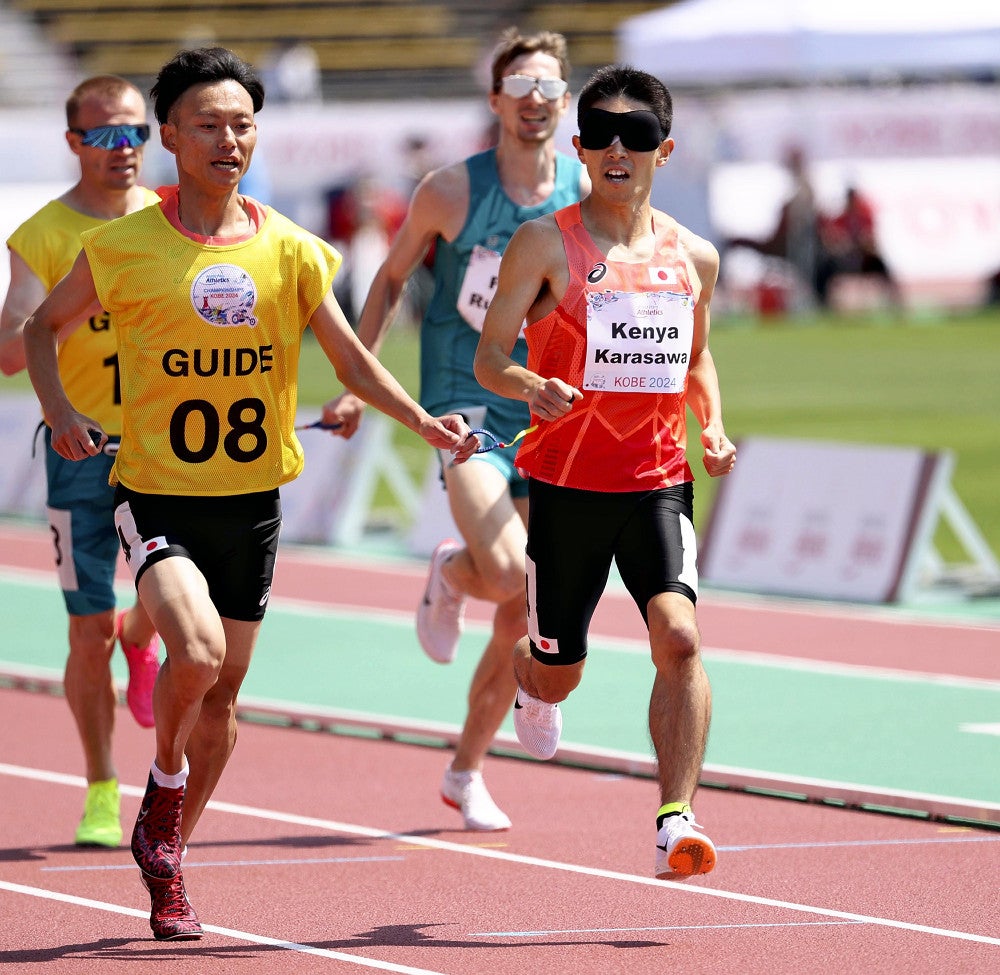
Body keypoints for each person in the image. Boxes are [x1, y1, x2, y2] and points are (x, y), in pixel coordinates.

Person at [22, 46, 475, 942]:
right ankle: (160, 786)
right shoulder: (116, 246)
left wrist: (424, 422)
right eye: (207, 123)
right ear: (170, 137)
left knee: (224, 707)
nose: (228, 138)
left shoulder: (295, 251)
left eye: (241, 123)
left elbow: (348, 358)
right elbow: (41, 330)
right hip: (156, 496)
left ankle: (169, 856)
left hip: (255, 503)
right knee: (190, 654)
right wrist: (64, 410)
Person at [320, 27, 589, 833]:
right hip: (459, 396)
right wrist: (358, 383)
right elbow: (392, 276)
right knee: (511, 571)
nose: (536, 101)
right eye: (522, 87)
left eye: (550, 88)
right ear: (496, 100)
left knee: (523, 610)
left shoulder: (584, 189)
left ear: (564, 100)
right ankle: (460, 570)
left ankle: (465, 770)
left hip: (544, 401)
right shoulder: (450, 191)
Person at [474, 64, 736, 880]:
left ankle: (674, 817)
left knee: (682, 638)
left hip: (658, 480)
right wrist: (528, 384)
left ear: (666, 148)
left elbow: (695, 358)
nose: (620, 149)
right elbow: (488, 358)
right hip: (566, 485)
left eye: (640, 135)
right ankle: (529, 676)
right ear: (581, 148)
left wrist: (714, 423)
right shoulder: (545, 242)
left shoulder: (696, 256)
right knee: (560, 673)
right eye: (604, 136)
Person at [0, 76, 162, 851]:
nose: (121, 148)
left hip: (170, 451)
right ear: (75, 143)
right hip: (80, 453)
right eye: (103, 135)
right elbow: (9, 349)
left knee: (181, 602)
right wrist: (76, 304)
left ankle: (144, 632)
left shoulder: (172, 218)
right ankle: (101, 784)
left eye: (133, 132)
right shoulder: (43, 233)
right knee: (86, 631)